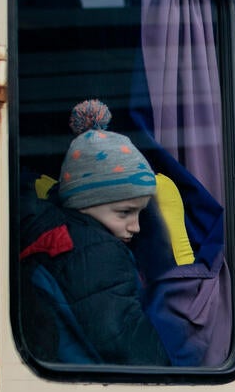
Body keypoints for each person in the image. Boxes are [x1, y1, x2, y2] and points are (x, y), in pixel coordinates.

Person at [19, 99, 170, 365]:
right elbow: (128, 345)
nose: (135, 226)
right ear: (85, 202)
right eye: (124, 212)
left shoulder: (55, 234)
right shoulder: (97, 253)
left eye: (139, 213)